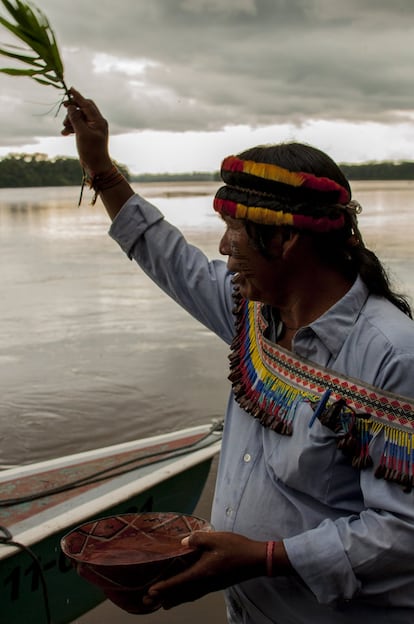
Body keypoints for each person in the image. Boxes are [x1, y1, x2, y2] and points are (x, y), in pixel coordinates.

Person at [62, 89, 414, 624]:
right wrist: (101, 168)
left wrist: (265, 558)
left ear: (285, 240)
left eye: (234, 230)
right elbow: (168, 257)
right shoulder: (253, 315)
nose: (224, 250)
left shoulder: (392, 354)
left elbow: (403, 531)